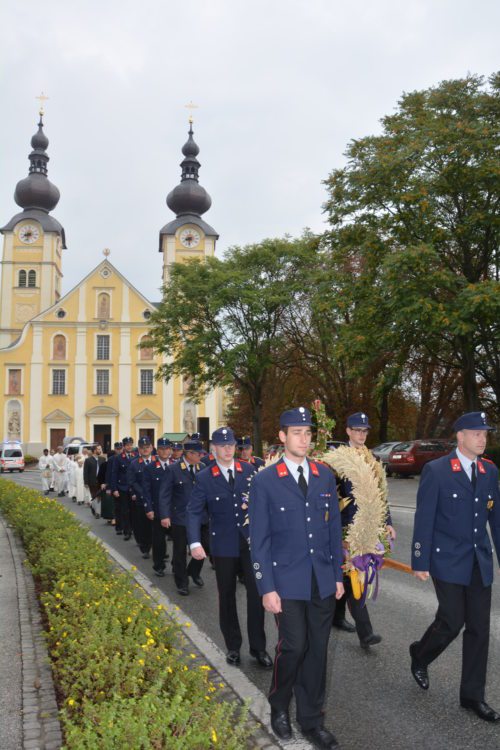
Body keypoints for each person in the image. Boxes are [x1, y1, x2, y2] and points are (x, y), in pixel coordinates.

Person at [249, 407, 344, 749]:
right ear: (282, 437)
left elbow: (333, 529)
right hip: (285, 580)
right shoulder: (265, 481)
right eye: (297, 432)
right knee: (294, 645)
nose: (304, 439)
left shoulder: (323, 476)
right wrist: (266, 588)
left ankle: (311, 720)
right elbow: (258, 540)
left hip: (320, 577)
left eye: (308, 433)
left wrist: (337, 575)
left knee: (318, 649)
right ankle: (278, 705)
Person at [410, 411, 500, 722]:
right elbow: (425, 518)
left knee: (479, 628)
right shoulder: (437, 470)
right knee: (451, 620)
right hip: (445, 559)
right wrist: (420, 560)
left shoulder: (489, 471)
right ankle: (420, 655)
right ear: (460, 436)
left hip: (478, 561)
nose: (482, 438)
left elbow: (496, 520)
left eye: (485, 433)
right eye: (476, 433)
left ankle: (472, 696)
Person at [188, 427, 272, 669]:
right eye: (222, 445)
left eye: (231, 445)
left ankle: (258, 647)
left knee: (257, 596)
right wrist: (195, 542)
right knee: (227, 597)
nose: (227, 449)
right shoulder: (205, 476)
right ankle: (233, 647)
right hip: (223, 546)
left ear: (236, 447)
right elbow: (194, 511)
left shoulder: (249, 471)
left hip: (250, 545)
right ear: (213, 448)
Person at [332, 412, 396, 645]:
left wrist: (387, 523)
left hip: (368, 527)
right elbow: (332, 498)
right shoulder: (338, 460)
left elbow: (381, 495)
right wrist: (338, 532)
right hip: (347, 528)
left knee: (347, 576)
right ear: (348, 431)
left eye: (365, 431)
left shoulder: (372, 459)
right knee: (355, 575)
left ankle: (336, 617)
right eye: (357, 430)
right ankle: (365, 633)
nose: (361, 435)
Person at [158, 438, 209, 595]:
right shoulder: (173, 469)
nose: (201, 456)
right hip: (180, 517)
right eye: (199, 453)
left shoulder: (203, 467)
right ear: (189, 454)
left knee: (206, 546)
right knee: (180, 551)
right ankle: (182, 582)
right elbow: (164, 494)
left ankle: (193, 571)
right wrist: (165, 515)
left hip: (201, 517)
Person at [142, 438, 174, 576]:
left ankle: (177, 565)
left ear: (171, 450)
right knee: (159, 540)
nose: (164, 451)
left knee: (178, 541)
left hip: (174, 510)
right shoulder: (149, 468)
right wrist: (148, 508)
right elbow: (146, 491)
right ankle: (159, 565)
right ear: (157, 450)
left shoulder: (176, 466)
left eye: (167, 448)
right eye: (161, 449)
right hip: (157, 510)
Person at [127, 437, 154, 558]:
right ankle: (145, 547)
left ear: (151, 448)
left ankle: (158, 548)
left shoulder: (157, 461)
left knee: (156, 527)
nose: (145, 450)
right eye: (143, 448)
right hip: (141, 499)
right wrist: (142, 493)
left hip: (155, 499)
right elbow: (132, 481)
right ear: (139, 449)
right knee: (143, 525)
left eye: (147, 447)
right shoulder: (134, 464)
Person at [110, 437, 135, 540]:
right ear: (124, 446)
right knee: (124, 510)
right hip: (122, 487)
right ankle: (127, 531)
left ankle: (133, 528)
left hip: (133, 488)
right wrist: (114, 489)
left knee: (133, 510)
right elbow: (114, 474)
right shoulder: (118, 458)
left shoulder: (136, 456)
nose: (129, 446)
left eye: (131, 444)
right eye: (127, 445)